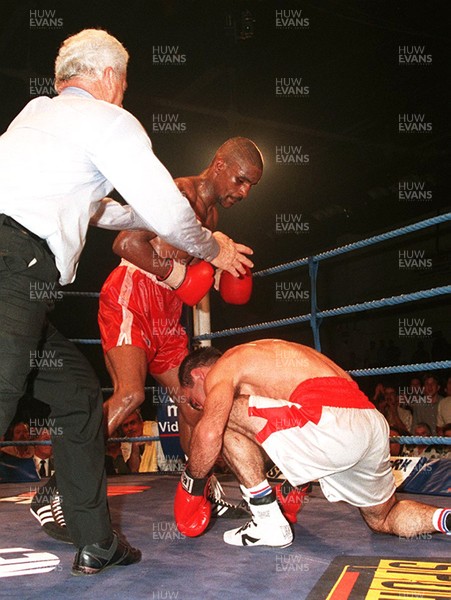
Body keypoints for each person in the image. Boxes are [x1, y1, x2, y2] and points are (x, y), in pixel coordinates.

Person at [0, 28, 252, 576]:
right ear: (112, 77)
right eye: (126, 83)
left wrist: (172, 231)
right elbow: (164, 217)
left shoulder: (35, 115)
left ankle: (95, 541)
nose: (125, 94)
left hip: (22, 275)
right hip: (14, 264)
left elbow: (102, 213)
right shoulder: (109, 120)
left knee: (77, 394)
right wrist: (214, 247)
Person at [174, 340, 451, 547]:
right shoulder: (272, 357)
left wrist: (191, 487)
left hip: (328, 422)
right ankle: (443, 519)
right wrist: (293, 487)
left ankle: (267, 521)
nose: (200, 406)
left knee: (218, 417)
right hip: (370, 425)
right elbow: (295, 437)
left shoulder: (225, 366)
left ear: (199, 374)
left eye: (195, 401)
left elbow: (210, 433)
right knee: (383, 518)